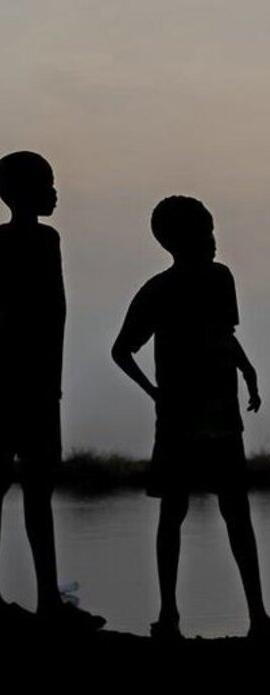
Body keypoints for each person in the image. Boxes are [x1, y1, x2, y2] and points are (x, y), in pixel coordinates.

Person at [111, 195, 270, 640]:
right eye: (204, 232)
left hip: (219, 414)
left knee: (233, 511)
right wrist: (155, 393)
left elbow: (223, 335)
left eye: (212, 230)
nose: (213, 240)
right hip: (181, 417)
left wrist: (248, 371)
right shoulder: (160, 290)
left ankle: (257, 616)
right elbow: (122, 350)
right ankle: (170, 616)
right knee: (178, 512)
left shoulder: (218, 279)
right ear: (176, 240)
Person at [0, 151, 105, 630]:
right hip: (33, 381)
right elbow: (51, 315)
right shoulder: (44, 241)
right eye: (48, 183)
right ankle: (47, 602)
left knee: (23, 487)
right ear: (23, 193)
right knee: (37, 490)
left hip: (17, 381)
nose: (55, 192)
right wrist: (51, 383)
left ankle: (42, 600)